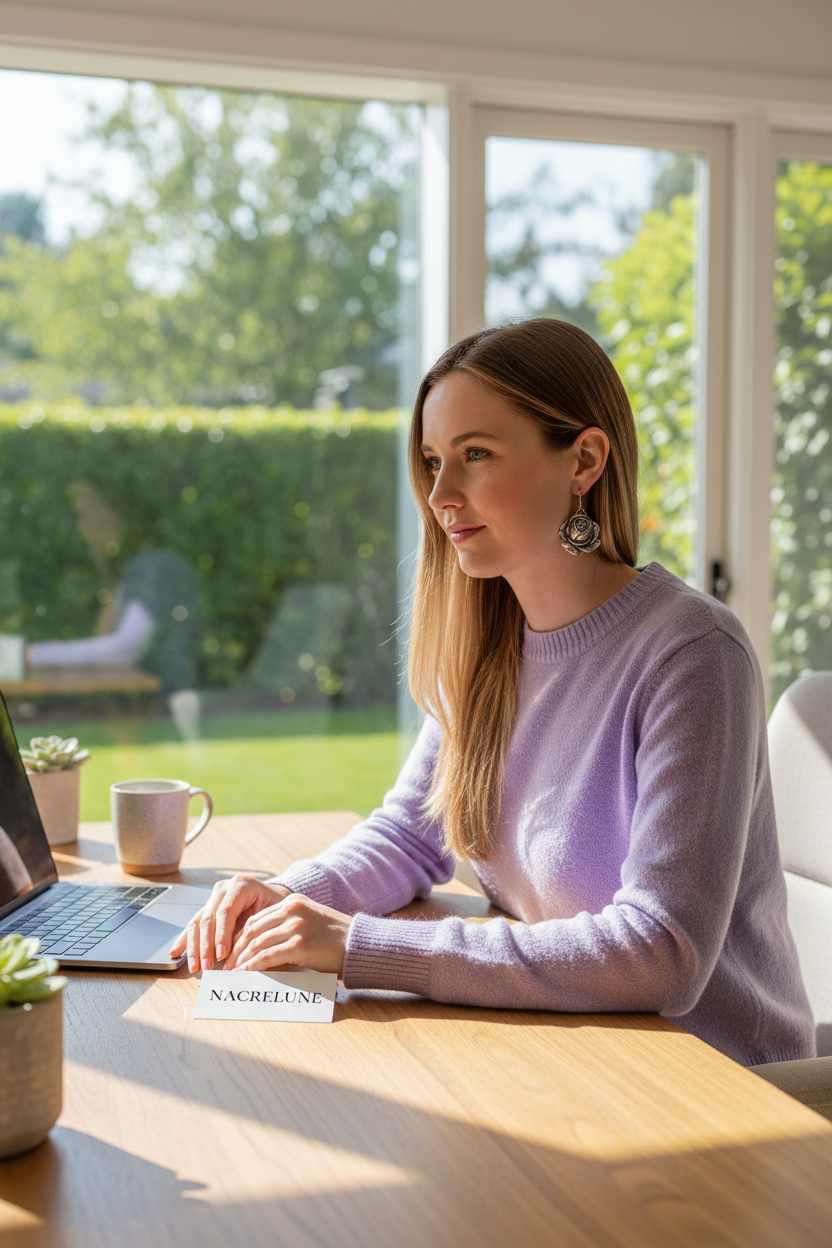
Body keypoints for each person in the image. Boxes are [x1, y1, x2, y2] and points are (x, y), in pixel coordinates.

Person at [172, 319, 815, 1067]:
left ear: (584, 460)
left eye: (476, 455)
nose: (442, 495)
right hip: (575, 1050)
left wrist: (359, 947)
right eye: (434, 460)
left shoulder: (694, 654)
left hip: (716, 1083)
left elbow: (662, 952)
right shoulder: (491, 645)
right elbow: (411, 835)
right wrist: (285, 897)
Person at [27, 480, 199, 727]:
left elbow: (125, 647)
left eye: (84, 514)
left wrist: (34, 654)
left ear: (116, 509)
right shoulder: (134, 567)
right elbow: (105, 634)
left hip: (162, 707)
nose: (81, 525)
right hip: (147, 708)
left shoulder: (153, 567)